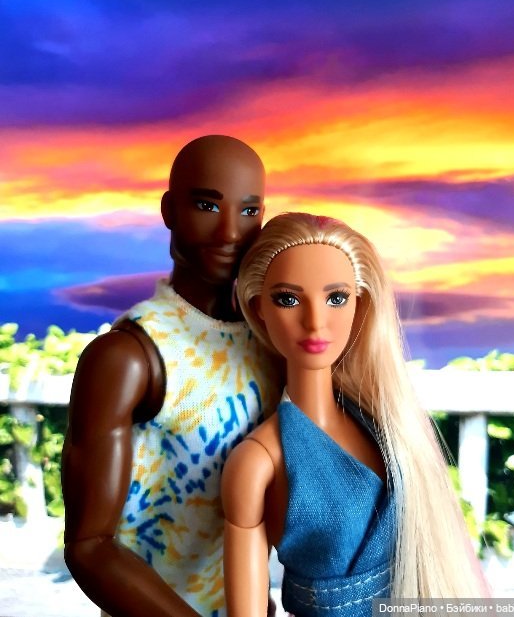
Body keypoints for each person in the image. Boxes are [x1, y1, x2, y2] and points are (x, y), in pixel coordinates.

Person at [221, 212, 488, 617]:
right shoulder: (259, 460)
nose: (315, 322)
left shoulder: (385, 425)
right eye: (288, 299)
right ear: (259, 309)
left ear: (359, 303)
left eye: (336, 298)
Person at [61, 135, 282, 617]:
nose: (230, 232)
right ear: (169, 210)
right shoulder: (130, 355)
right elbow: (90, 546)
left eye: (249, 211)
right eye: (207, 205)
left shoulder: (270, 342)